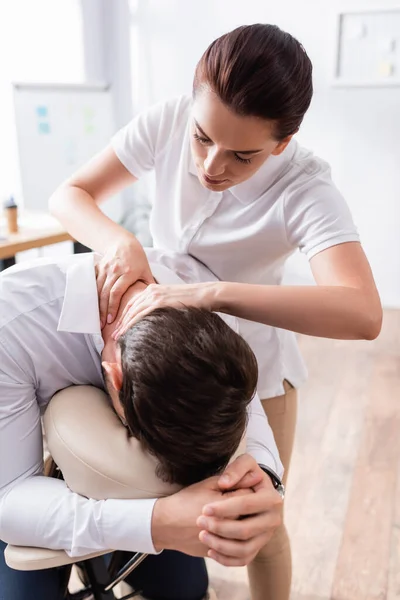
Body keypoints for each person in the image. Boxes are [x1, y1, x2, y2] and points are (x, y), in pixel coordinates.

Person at [49, 22, 383, 600]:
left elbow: (363, 313)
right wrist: (120, 243)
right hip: (154, 346)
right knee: (143, 492)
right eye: (202, 139)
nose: (210, 167)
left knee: (259, 522)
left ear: (283, 141)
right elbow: (69, 195)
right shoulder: (170, 118)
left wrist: (212, 293)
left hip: (244, 369)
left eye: (243, 155)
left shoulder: (307, 190)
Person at [0, 248, 283, 600]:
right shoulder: (11, 325)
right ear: (114, 375)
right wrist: (156, 522)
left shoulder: (201, 297)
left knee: (185, 589)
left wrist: (265, 480)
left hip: (101, 456)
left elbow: (245, 403)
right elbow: (8, 495)